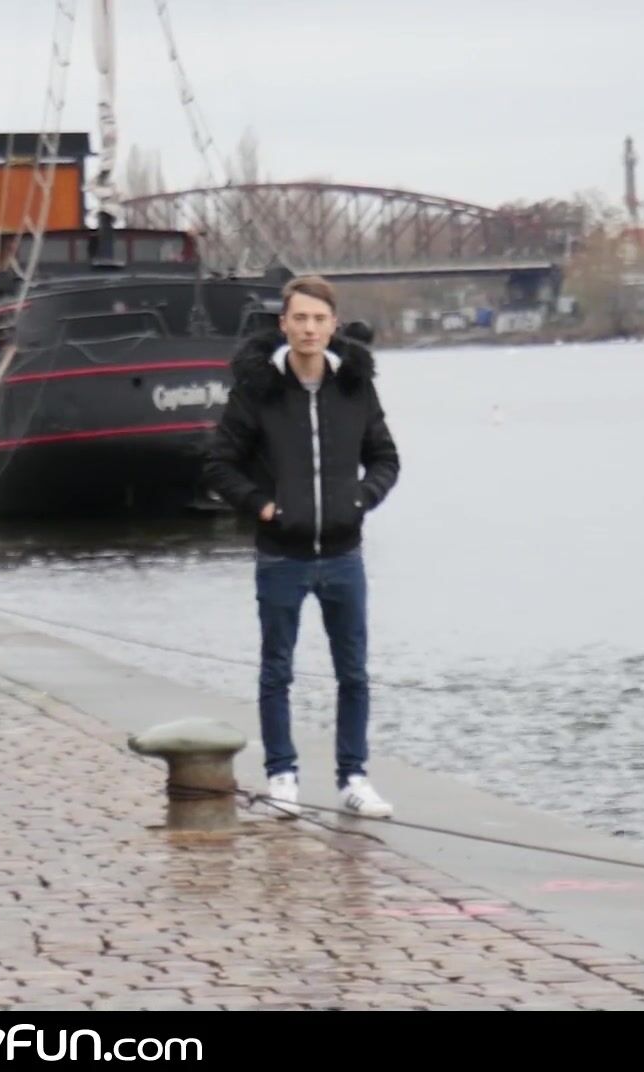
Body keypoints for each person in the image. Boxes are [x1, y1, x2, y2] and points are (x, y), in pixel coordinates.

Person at [203, 275, 400, 820]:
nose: (309, 328)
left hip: (343, 555)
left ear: (333, 326)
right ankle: (282, 777)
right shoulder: (258, 390)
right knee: (277, 672)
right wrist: (263, 507)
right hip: (281, 556)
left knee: (353, 673)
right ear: (284, 325)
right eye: (300, 319)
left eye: (319, 319)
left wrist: (360, 499)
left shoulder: (354, 387)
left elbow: (385, 457)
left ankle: (353, 779)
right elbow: (219, 463)